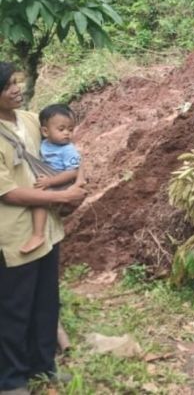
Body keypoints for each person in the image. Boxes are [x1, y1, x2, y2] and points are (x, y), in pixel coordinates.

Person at [0, 63, 87, 394]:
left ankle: (42, 365)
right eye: (8, 85)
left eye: (17, 82)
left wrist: (78, 179)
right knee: (13, 308)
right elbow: (9, 192)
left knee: (46, 301)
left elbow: (66, 150)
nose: (17, 89)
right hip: (13, 234)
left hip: (47, 229)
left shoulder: (30, 120)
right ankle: (10, 379)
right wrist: (64, 193)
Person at [18, 104, 83, 255]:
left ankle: (38, 234)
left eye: (70, 129)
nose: (67, 133)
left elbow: (73, 172)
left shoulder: (68, 149)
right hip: (49, 175)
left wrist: (49, 182)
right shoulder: (45, 143)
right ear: (45, 131)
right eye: (62, 129)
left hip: (60, 181)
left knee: (39, 198)